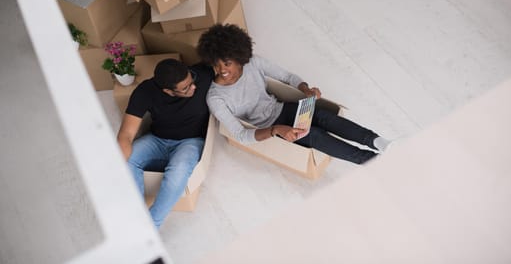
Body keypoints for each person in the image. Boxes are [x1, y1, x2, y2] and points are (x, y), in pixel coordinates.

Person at [196, 24, 391, 165]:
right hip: (269, 129)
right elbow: (241, 135)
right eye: (216, 64)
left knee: (322, 115)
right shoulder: (215, 98)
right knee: (314, 136)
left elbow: (287, 76)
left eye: (227, 63)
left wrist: (305, 90)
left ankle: (379, 143)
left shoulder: (252, 63)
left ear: (239, 58)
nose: (221, 70)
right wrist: (276, 130)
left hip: (284, 109)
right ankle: (371, 161)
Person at [117, 58, 213, 228]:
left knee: (178, 172)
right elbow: (126, 135)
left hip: (190, 141)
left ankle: (150, 226)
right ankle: (136, 216)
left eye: (191, 81)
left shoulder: (203, 75)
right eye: (186, 88)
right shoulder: (145, 91)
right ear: (168, 91)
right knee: (127, 160)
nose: (194, 87)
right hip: (157, 140)